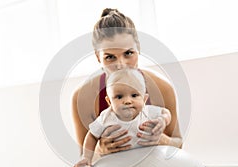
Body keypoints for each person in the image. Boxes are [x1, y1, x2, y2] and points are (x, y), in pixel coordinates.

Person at [72, 8, 182, 157]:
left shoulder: (163, 88)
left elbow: (178, 143)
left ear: (139, 50)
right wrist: (100, 149)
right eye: (110, 57)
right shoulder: (82, 96)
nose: (121, 64)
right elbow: (84, 155)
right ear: (98, 57)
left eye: (128, 53)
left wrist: (161, 139)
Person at [72, 69, 171, 167]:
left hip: (147, 161)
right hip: (117, 164)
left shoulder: (147, 111)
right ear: (109, 101)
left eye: (134, 95)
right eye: (119, 97)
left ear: (144, 99)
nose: (127, 101)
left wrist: (163, 120)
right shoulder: (106, 117)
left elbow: (166, 112)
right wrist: (87, 157)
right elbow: (92, 135)